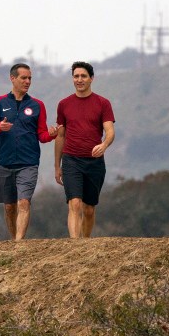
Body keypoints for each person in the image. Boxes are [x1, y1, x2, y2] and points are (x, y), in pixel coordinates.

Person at [0, 63, 59, 240]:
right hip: (4, 162)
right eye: (24, 78)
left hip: (28, 163)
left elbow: (41, 135)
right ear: (12, 78)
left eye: (30, 78)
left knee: (24, 202)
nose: (27, 81)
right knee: (9, 207)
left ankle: (19, 243)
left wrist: (51, 135)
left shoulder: (37, 105)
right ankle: (14, 241)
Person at [54, 61, 115, 238]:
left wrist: (103, 145)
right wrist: (57, 166)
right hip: (71, 160)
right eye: (76, 76)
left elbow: (110, 131)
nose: (79, 80)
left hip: (94, 162)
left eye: (83, 76)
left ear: (91, 78)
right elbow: (60, 136)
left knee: (88, 209)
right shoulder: (64, 104)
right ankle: (75, 245)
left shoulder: (103, 103)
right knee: (74, 203)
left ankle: (85, 242)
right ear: (72, 79)